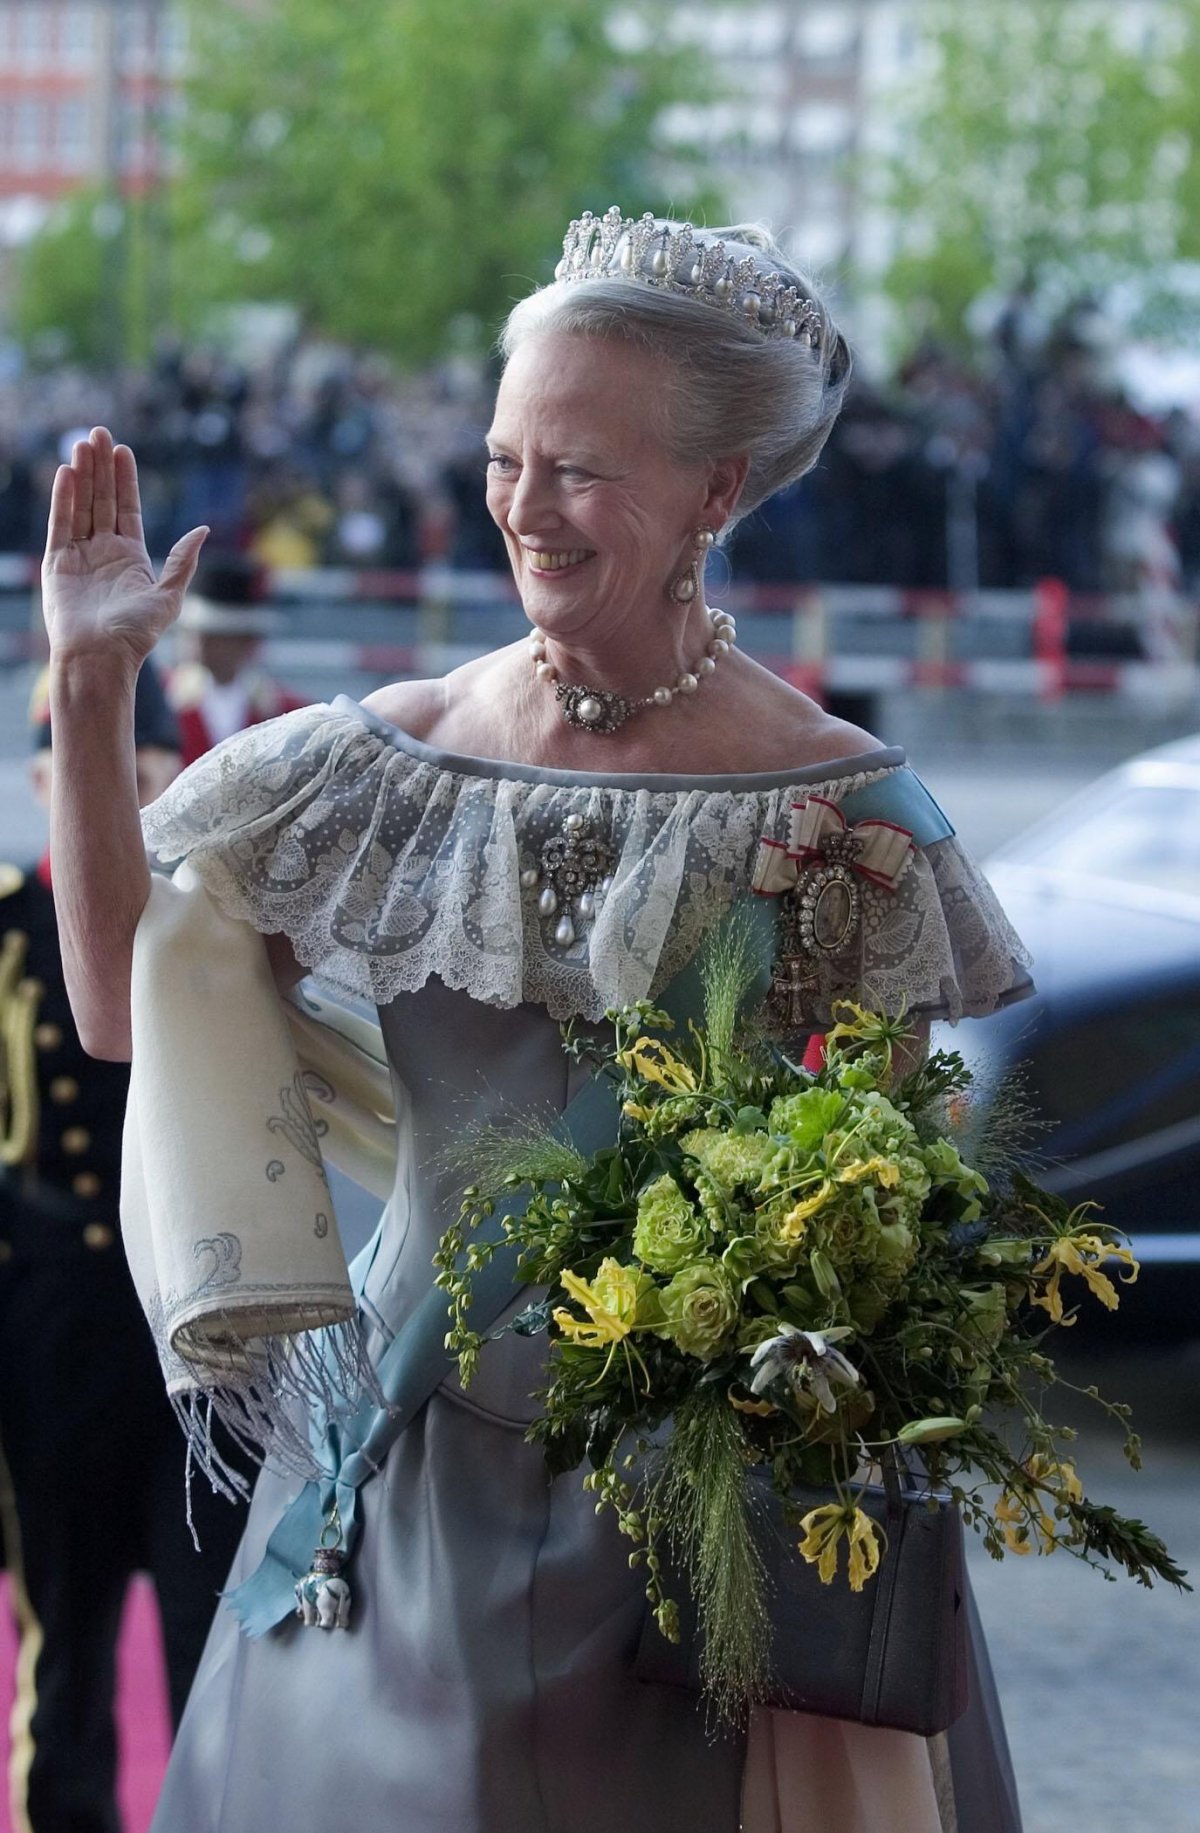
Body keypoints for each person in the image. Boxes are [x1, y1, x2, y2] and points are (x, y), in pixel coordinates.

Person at [40, 209, 1033, 1833]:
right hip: (399, 1489)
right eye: (507, 456)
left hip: (703, 1515)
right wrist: (88, 691)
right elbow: (116, 1007)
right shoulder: (386, 761)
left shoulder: (846, 812)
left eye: (578, 466)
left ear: (718, 492)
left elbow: (895, 1194)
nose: (520, 504)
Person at [0, 662, 248, 1833]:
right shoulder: (5, 929)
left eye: (137, 774)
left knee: (216, 1638)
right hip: (54, 1327)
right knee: (68, 1637)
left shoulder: (218, 933)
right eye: (76, 775)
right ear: (46, 781)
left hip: (200, 1332)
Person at [166, 552, 305, 766]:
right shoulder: (157, 701)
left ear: (246, 640)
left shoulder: (287, 712)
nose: (198, 642)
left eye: (214, 634)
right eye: (191, 632)